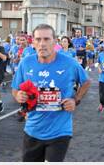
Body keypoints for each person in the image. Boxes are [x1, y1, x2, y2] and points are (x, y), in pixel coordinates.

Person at [12, 24, 91, 162]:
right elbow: (15, 89)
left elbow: (86, 82)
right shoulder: (26, 63)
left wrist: (75, 100)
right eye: (38, 39)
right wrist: (18, 95)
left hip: (59, 131)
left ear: (55, 42)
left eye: (47, 39)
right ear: (33, 42)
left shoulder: (69, 63)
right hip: (32, 130)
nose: (42, 44)